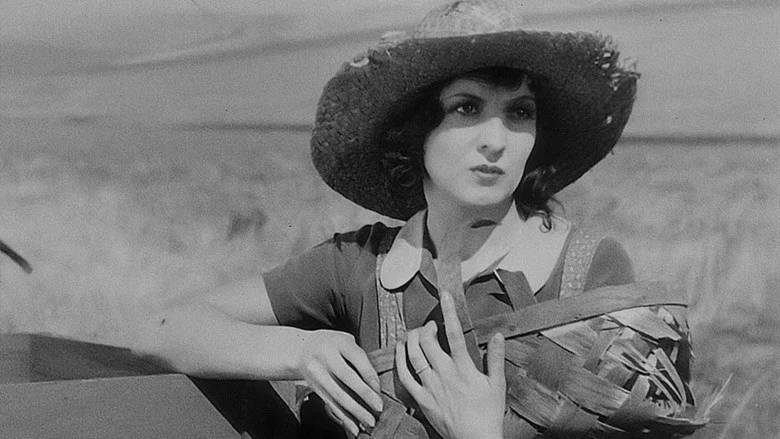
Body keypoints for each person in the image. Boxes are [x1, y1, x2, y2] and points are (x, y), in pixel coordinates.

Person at [133, 1, 698, 438]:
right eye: (467, 107)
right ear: (416, 131)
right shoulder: (360, 265)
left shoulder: (587, 271)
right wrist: (300, 350)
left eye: (519, 112)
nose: (497, 140)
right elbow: (160, 330)